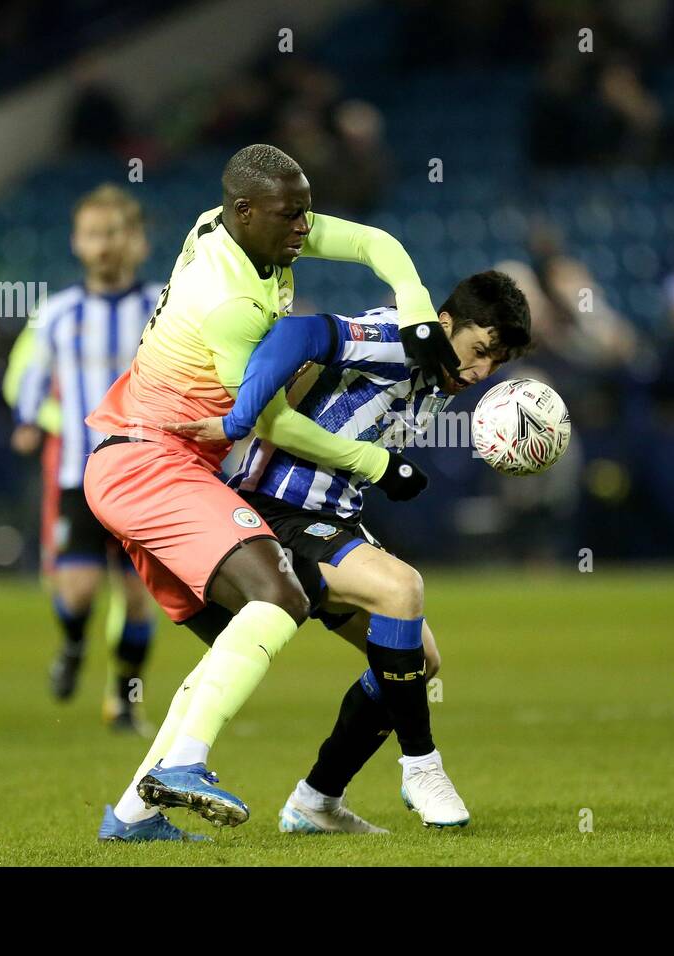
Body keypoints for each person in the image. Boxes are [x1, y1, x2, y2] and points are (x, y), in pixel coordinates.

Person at [87, 143, 445, 842]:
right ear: (244, 211)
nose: (303, 230)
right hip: (150, 463)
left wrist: (417, 309)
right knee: (279, 594)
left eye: (306, 212)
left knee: (233, 646)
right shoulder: (228, 300)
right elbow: (272, 420)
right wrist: (374, 464)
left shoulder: (240, 229)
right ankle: (187, 765)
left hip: (153, 462)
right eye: (291, 216)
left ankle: (134, 814)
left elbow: (376, 243)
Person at [209, 270, 530, 832]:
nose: (481, 372)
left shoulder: (437, 383)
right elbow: (305, 334)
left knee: (420, 661)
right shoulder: (397, 336)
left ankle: (316, 801)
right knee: (402, 588)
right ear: (445, 324)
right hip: (276, 511)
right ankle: (421, 765)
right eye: (479, 351)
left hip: (332, 518)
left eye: (495, 364)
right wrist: (244, 419)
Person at [10, 185, 162, 732]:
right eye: (94, 234)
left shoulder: (162, 308)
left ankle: (124, 702)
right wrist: (27, 419)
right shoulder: (57, 311)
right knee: (76, 590)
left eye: (115, 233)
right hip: (80, 474)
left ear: (138, 242)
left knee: (137, 599)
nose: (104, 245)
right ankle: (73, 643)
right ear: (77, 242)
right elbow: (33, 372)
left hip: (145, 474)